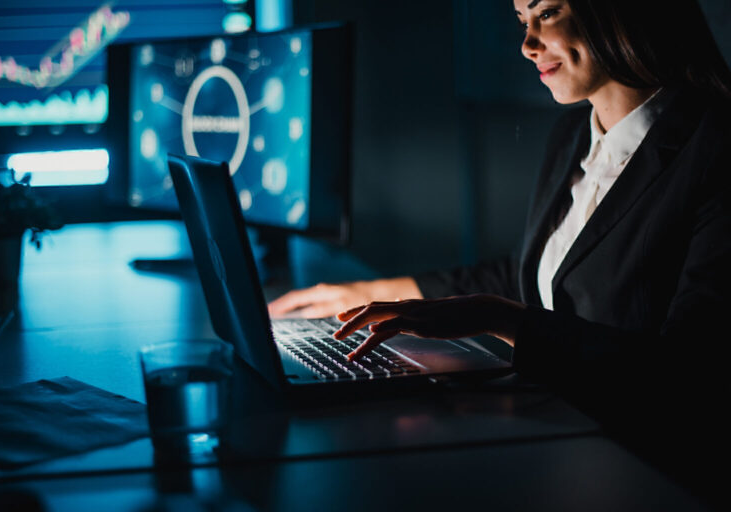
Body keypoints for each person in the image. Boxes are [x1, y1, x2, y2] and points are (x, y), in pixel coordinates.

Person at [269, 0, 731, 505]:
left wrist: (499, 318)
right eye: (521, 22)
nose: (527, 44)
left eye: (547, 13)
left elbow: (689, 377)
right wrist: (375, 292)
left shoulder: (715, 149)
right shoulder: (572, 135)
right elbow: (530, 274)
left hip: (650, 473)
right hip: (562, 439)